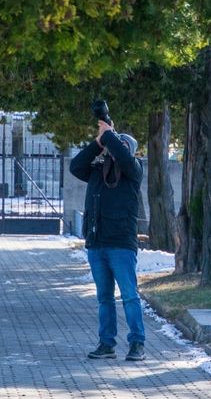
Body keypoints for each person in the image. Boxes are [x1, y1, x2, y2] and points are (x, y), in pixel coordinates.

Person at [69, 120, 146, 361]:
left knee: (129, 296)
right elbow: (75, 166)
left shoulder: (133, 170)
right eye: (112, 144)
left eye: (122, 146)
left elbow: (123, 157)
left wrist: (110, 134)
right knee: (104, 298)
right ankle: (106, 343)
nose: (115, 149)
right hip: (97, 244)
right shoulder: (97, 171)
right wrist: (98, 142)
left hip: (121, 244)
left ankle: (137, 343)